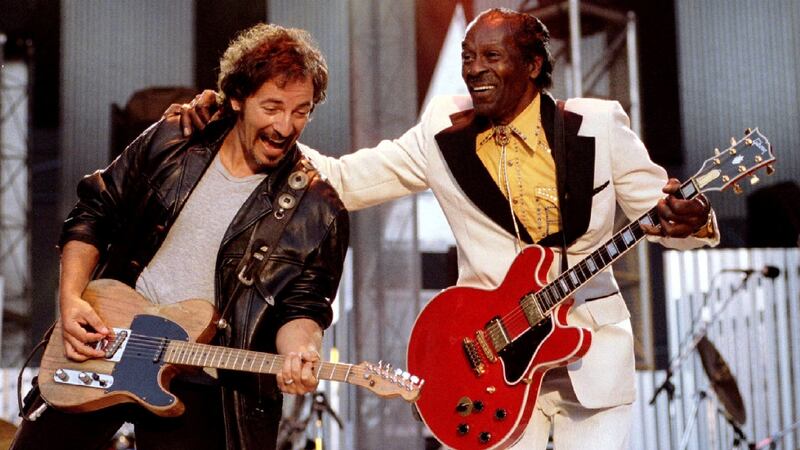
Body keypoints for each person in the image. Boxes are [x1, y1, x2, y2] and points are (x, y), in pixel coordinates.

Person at [177, 8, 717, 450]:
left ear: (531, 65)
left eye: (491, 56)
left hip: (590, 351)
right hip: (487, 360)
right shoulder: (441, 131)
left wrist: (692, 222)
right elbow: (341, 179)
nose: (474, 69)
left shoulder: (600, 125)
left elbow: (666, 221)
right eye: (467, 57)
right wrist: (245, 121)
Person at [12, 23, 349, 450]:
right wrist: (72, 297)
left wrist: (303, 350)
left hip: (206, 379)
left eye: (301, 111)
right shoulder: (176, 140)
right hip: (109, 339)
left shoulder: (320, 210)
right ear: (238, 98)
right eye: (272, 107)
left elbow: (304, 307)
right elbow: (94, 210)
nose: (285, 126)